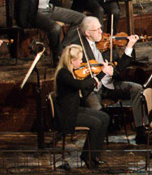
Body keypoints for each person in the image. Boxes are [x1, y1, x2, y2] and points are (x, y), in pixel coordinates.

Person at [61, 16, 147, 145]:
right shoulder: (78, 49)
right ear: (87, 33)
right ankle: (95, 148)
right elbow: (78, 75)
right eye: (97, 30)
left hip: (108, 85)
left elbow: (118, 68)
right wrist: (102, 72)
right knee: (98, 115)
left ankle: (141, 131)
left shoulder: (104, 45)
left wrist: (129, 47)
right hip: (92, 90)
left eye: (100, 28)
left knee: (137, 89)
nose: (101, 32)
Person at [54, 44, 112, 170]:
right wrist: (100, 74)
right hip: (67, 115)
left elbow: (83, 91)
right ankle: (87, 156)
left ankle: (94, 155)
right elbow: (80, 85)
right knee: (96, 123)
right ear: (71, 61)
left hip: (74, 109)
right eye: (79, 60)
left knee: (105, 117)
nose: (82, 62)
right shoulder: (63, 74)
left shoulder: (71, 72)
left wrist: (100, 76)